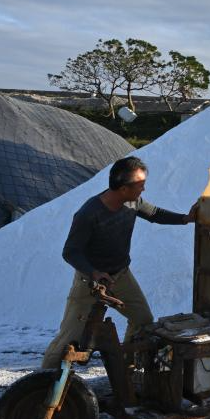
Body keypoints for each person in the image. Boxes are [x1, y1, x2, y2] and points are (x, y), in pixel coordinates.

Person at [41, 157, 198, 369]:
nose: (144, 188)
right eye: (140, 185)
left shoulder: (132, 202)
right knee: (70, 336)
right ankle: (42, 384)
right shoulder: (89, 214)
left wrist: (185, 219)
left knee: (142, 319)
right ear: (124, 188)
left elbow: (155, 214)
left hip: (121, 275)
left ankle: (126, 368)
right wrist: (93, 272)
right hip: (91, 281)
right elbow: (70, 252)